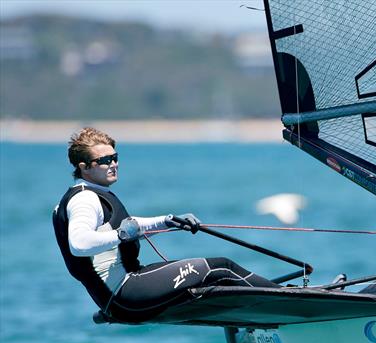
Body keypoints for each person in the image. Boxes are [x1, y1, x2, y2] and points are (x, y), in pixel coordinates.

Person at [53, 127, 279, 323]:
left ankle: (266, 308)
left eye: (115, 157)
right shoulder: (84, 199)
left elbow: (129, 225)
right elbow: (80, 244)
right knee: (220, 267)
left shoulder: (93, 194)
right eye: (104, 161)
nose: (113, 164)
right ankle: (291, 299)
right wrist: (122, 235)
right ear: (84, 167)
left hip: (122, 294)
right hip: (125, 293)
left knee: (215, 283)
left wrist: (167, 221)